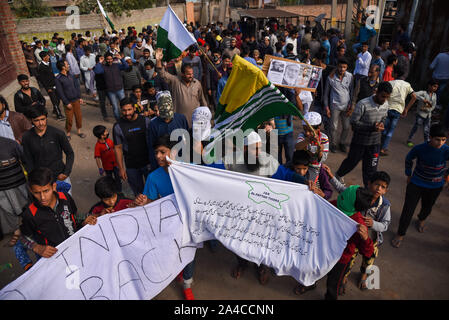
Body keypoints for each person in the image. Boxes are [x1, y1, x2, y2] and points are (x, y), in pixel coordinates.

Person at [132, 135, 196, 300]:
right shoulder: (154, 177)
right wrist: (145, 201)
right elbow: (151, 202)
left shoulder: (191, 170)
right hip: (168, 225)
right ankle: (177, 272)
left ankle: (187, 284)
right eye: (156, 153)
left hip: (190, 223)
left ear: (174, 151)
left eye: (162, 151)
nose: (158, 156)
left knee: (189, 253)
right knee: (172, 251)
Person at [324, 167, 391, 292]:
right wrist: (331, 177)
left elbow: (385, 225)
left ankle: (364, 275)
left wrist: (373, 224)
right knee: (349, 259)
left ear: (386, 190)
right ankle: (344, 278)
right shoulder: (358, 193)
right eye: (377, 184)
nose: (378, 189)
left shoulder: (385, 206)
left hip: (369, 237)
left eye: (382, 187)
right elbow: (342, 189)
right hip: (354, 234)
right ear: (369, 183)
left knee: (369, 259)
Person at [19, 167, 96, 261]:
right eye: (37, 193)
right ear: (31, 191)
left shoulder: (66, 198)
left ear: (54, 187)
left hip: (76, 248)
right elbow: (22, 236)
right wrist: (36, 247)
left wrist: (84, 220)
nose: (42, 197)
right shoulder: (30, 213)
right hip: (54, 259)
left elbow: (73, 216)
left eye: (46, 191)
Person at [392, 125, 449, 248]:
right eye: (437, 139)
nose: (440, 143)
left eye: (443, 140)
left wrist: (447, 175)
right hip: (416, 183)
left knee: (428, 206)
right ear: (430, 137)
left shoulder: (446, 150)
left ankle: (421, 219)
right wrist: (408, 173)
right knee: (408, 209)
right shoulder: (420, 148)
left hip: (436, 185)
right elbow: (409, 159)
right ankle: (400, 233)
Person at [336, 82, 392, 186]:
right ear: (376, 92)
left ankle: (368, 190)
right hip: (360, 141)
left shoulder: (386, 104)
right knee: (352, 162)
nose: (384, 99)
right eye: (383, 96)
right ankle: (338, 175)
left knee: (371, 169)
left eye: (387, 97)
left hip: (375, 143)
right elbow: (353, 123)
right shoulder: (363, 104)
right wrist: (371, 128)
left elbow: (384, 118)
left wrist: (381, 124)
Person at [22, 106, 74, 194]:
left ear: (46, 118)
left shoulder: (58, 134)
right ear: (31, 121)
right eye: (36, 120)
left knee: (66, 204)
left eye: (43, 119)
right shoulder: (27, 137)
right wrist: (34, 179)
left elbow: (70, 153)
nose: (41, 123)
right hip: (41, 181)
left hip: (60, 178)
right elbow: (27, 160)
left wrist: (66, 172)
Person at [155, 48, 207, 127]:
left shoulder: (197, 84)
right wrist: (158, 60)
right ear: (182, 74)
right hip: (179, 123)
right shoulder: (175, 81)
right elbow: (162, 73)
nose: (191, 76)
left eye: (192, 74)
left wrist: (206, 115)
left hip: (195, 122)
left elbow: (202, 101)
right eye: (188, 74)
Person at [113, 97, 151, 196]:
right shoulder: (118, 126)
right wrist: (121, 169)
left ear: (134, 108)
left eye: (129, 110)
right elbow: (118, 148)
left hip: (148, 163)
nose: (127, 113)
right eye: (124, 110)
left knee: (152, 192)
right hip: (131, 165)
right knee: (138, 195)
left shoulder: (146, 121)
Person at [147, 91, 189, 170]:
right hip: (164, 164)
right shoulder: (153, 125)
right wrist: (155, 168)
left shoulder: (181, 119)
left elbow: (187, 140)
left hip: (181, 162)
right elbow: (152, 147)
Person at [0, 136, 30, 247]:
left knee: (25, 206)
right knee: (6, 210)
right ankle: (16, 232)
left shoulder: (10, 143)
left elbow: (25, 159)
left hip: (18, 184)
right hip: (1, 188)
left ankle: (32, 229)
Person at [380, 67, 417, 156]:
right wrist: (406, 109)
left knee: (383, 129)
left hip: (388, 108)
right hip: (398, 110)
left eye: (393, 72)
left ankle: (378, 147)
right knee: (390, 131)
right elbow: (414, 97)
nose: (392, 73)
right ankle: (384, 148)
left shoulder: (391, 83)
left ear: (396, 74)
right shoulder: (407, 85)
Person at [323, 58, 354, 153]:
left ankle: (342, 143)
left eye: (344, 67)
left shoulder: (350, 76)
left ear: (347, 67)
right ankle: (333, 144)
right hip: (334, 106)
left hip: (346, 106)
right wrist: (327, 108)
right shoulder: (331, 77)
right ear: (337, 67)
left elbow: (352, 92)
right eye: (340, 67)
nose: (342, 69)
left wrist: (351, 105)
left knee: (346, 126)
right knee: (333, 127)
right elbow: (326, 94)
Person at [296, 112, 330, 186]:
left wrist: (320, 150)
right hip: (300, 163)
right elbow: (297, 147)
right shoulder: (302, 135)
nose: (307, 133)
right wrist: (308, 140)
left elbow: (322, 159)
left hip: (314, 167)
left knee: (309, 185)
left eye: (310, 130)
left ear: (318, 128)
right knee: (283, 171)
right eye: (305, 130)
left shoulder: (324, 138)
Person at [55, 60, 86, 139]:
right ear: (63, 67)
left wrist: (79, 97)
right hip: (68, 102)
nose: (68, 65)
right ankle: (68, 133)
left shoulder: (71, 75)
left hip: (76, 100)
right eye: (67, 64)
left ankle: (79, 131)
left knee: (79, 117)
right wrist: (66, 102)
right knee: (69, 119)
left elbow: (77, 87)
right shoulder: (58, 78)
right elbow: (60, 92)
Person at [406, 79, 439, 147]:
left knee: (426, 130)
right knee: (416, 127)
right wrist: (423, 99)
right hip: (420, 115)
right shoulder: (423, 93)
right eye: (434, 86)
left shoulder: (434, 95)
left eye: (436, 87)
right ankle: (409, 140)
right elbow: (414, 94)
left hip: (428, 115)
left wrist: (429, 110)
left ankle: (427, 143)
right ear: (429, 86)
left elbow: (434, 105)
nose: (435, 88)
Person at [93, 125, 122, 193]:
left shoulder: (109, 140)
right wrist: (100, 169)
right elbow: (97, 158)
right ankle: (112, 192)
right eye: (105, 132)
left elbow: (115, 149)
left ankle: (119, 191)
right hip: (107, 167)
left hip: (115, 164)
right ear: (102, 136)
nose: (107, 132)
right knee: (109, 180)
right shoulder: (98, 146)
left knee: (118, 179)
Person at [37, 51, 64, 120]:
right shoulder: (41, 67)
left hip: (54, 84)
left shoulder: (49, 64)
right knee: (54, 100)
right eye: (47, 56)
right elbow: (42, 80)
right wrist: (48, 88)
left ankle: (55, 110)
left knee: (58, 99)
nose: (49, 57)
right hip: (49, 87)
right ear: (44, 58)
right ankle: (59, 114)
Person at [103, 52, 128, 120]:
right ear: (105, 60)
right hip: (110, 91)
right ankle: (119, 121)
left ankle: (126, 118)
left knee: (124, 105)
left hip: (120, 89)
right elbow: (97, 71)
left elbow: (126, 66)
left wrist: (121, 59)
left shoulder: (117, 65)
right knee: (115, 107)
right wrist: (100, 62)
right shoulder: (103, 67)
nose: (109, 60)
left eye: (111, 59)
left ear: (113, 59)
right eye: (108, 59)